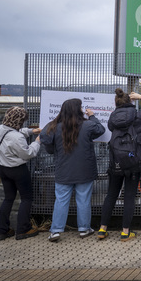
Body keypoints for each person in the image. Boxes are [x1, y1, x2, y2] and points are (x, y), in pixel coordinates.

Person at [41, 98, 105, 242]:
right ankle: (84, 229)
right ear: (78, 110)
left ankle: (56, 230)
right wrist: (92, 116)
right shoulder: (88, 125)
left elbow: (44, 138)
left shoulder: (54, 126)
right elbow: (101, 129)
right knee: (83, 199)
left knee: (61, 200)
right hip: (84, 170)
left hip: (63, 170)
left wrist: (53, 149)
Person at [98, 89, 141, 241]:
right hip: (133, 163)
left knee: (111, 195)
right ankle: (125, 232)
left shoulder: (112, 119)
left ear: (116, 103)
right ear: (131, 101)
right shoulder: (137, 117)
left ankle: (102, 229)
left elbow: (112, 129)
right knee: (129, 197)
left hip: (116, 162)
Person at [0, 106, 42, 241]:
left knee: (8, 198)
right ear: (19, 121)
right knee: (26, 198)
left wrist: (32, 131)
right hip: (18, 170)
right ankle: (23, 229)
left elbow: (15, 131)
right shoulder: (17, 137)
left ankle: (1, 231)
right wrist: (37, 141)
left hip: (3, 168)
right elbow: (28, 153)